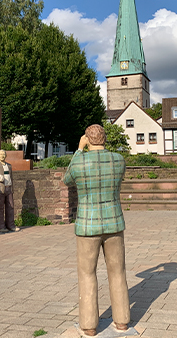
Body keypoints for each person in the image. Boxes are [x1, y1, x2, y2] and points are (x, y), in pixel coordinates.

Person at [63, 124, 130, 337]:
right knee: (118, 273)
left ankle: (89, 325)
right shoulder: (118, 160)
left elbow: (66, 180)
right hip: (114, 223)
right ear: (104, 138)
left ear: (87, 138)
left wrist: (78, 150)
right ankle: (122, 322)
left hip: (87, 224)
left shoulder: (79, 161)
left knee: (87, 274)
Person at [0, 149, 20, 233]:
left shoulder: (9, 166)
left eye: (3, 154)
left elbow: (11, 177)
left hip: (8, 188)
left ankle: (11, 225)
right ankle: (0, 226)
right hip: (0, 189)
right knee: (0, 208)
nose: (2, 156)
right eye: (0, 154)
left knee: (10, 207)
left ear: (6, 155)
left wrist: (12, 188)